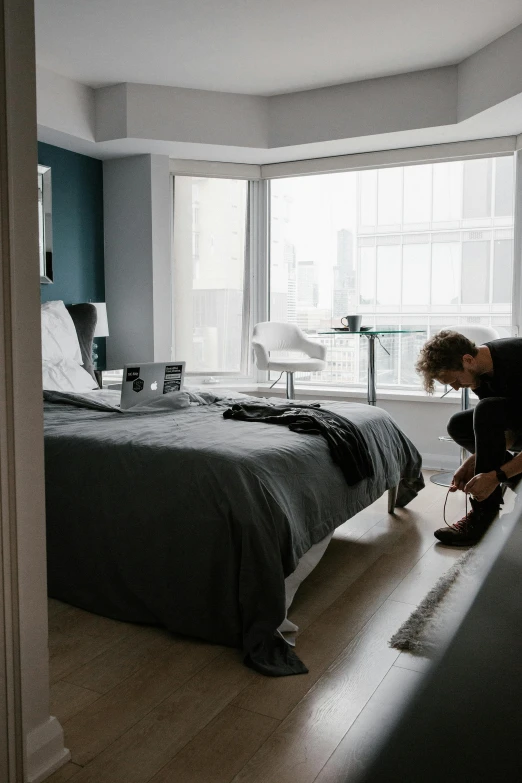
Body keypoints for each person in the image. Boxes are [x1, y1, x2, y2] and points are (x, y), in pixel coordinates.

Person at [415, 330, 522, 545]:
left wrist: (496, 476)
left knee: (486, 409)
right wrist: (472, 462)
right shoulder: (480, 376)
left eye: (454, 379)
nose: (455, 387)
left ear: (468, 359)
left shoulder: (516, 359)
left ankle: (483, 517)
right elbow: (507, 431)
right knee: (459, 424)